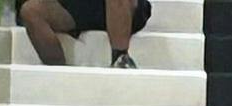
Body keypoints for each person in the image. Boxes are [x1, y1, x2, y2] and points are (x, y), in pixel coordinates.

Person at [17, 0, 151, 68]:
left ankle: (121, 58)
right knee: (31, 11)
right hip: (77, 7)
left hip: (120, 6)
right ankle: (57, 72)